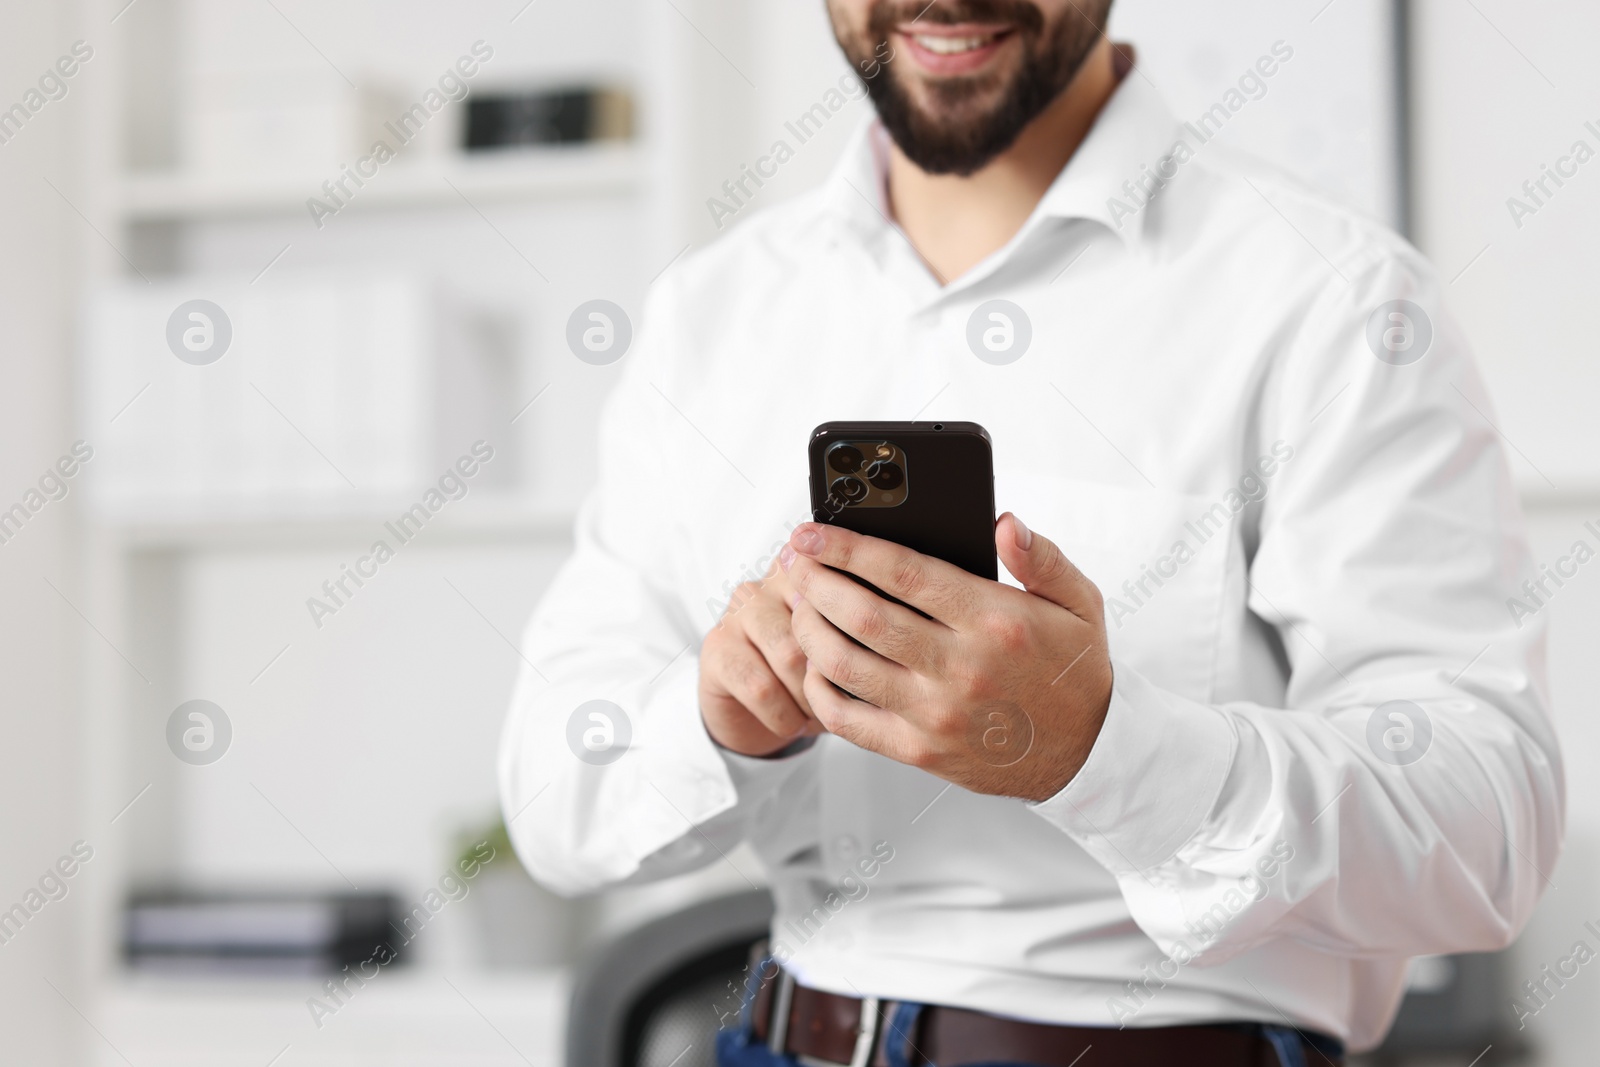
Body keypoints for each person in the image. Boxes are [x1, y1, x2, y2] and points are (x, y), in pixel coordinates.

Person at [498, 2, 1564, 1064]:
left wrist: (1100, 745)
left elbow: (1488, 836)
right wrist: (720, 715)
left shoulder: (1336, 302)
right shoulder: (708, 314)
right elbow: (555, 797)